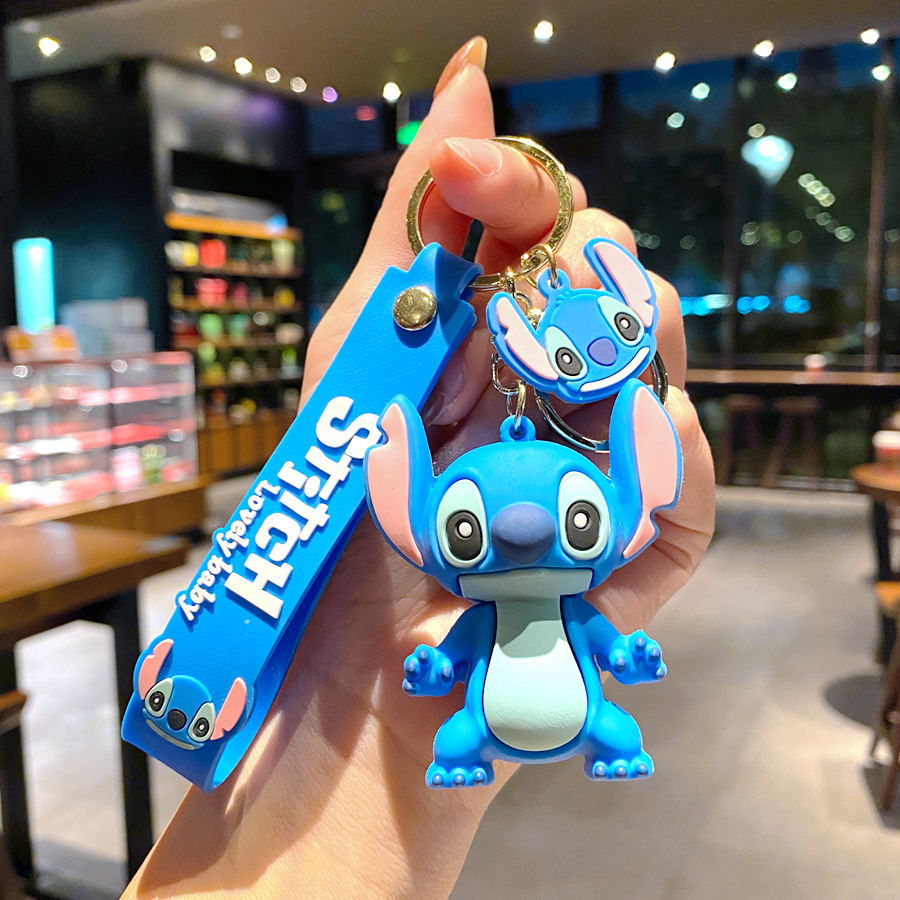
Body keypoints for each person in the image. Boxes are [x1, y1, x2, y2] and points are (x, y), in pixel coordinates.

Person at [122, 36, 715, 900]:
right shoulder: (453, 562)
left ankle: (605, 741)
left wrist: (622, 650)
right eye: (468, 528)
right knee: (467, 733)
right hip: (449, 710)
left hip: (533, 716)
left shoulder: (541, 589)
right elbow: (471, 646)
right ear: (420, 519)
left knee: (598, 726)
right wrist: (424, 675)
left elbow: (597, 641)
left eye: (577, 521)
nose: (522, 532)